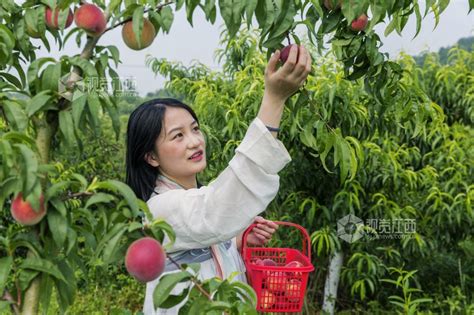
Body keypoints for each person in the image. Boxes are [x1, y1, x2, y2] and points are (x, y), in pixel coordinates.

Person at [125, 45, 312, 314]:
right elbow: (214, 210)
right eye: (178, 136)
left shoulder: (192, 199)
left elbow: (203, 235)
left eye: (195, 129)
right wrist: (274, 99)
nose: (194, 141)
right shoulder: (158, 210)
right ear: (151, 157)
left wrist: (236, 243)